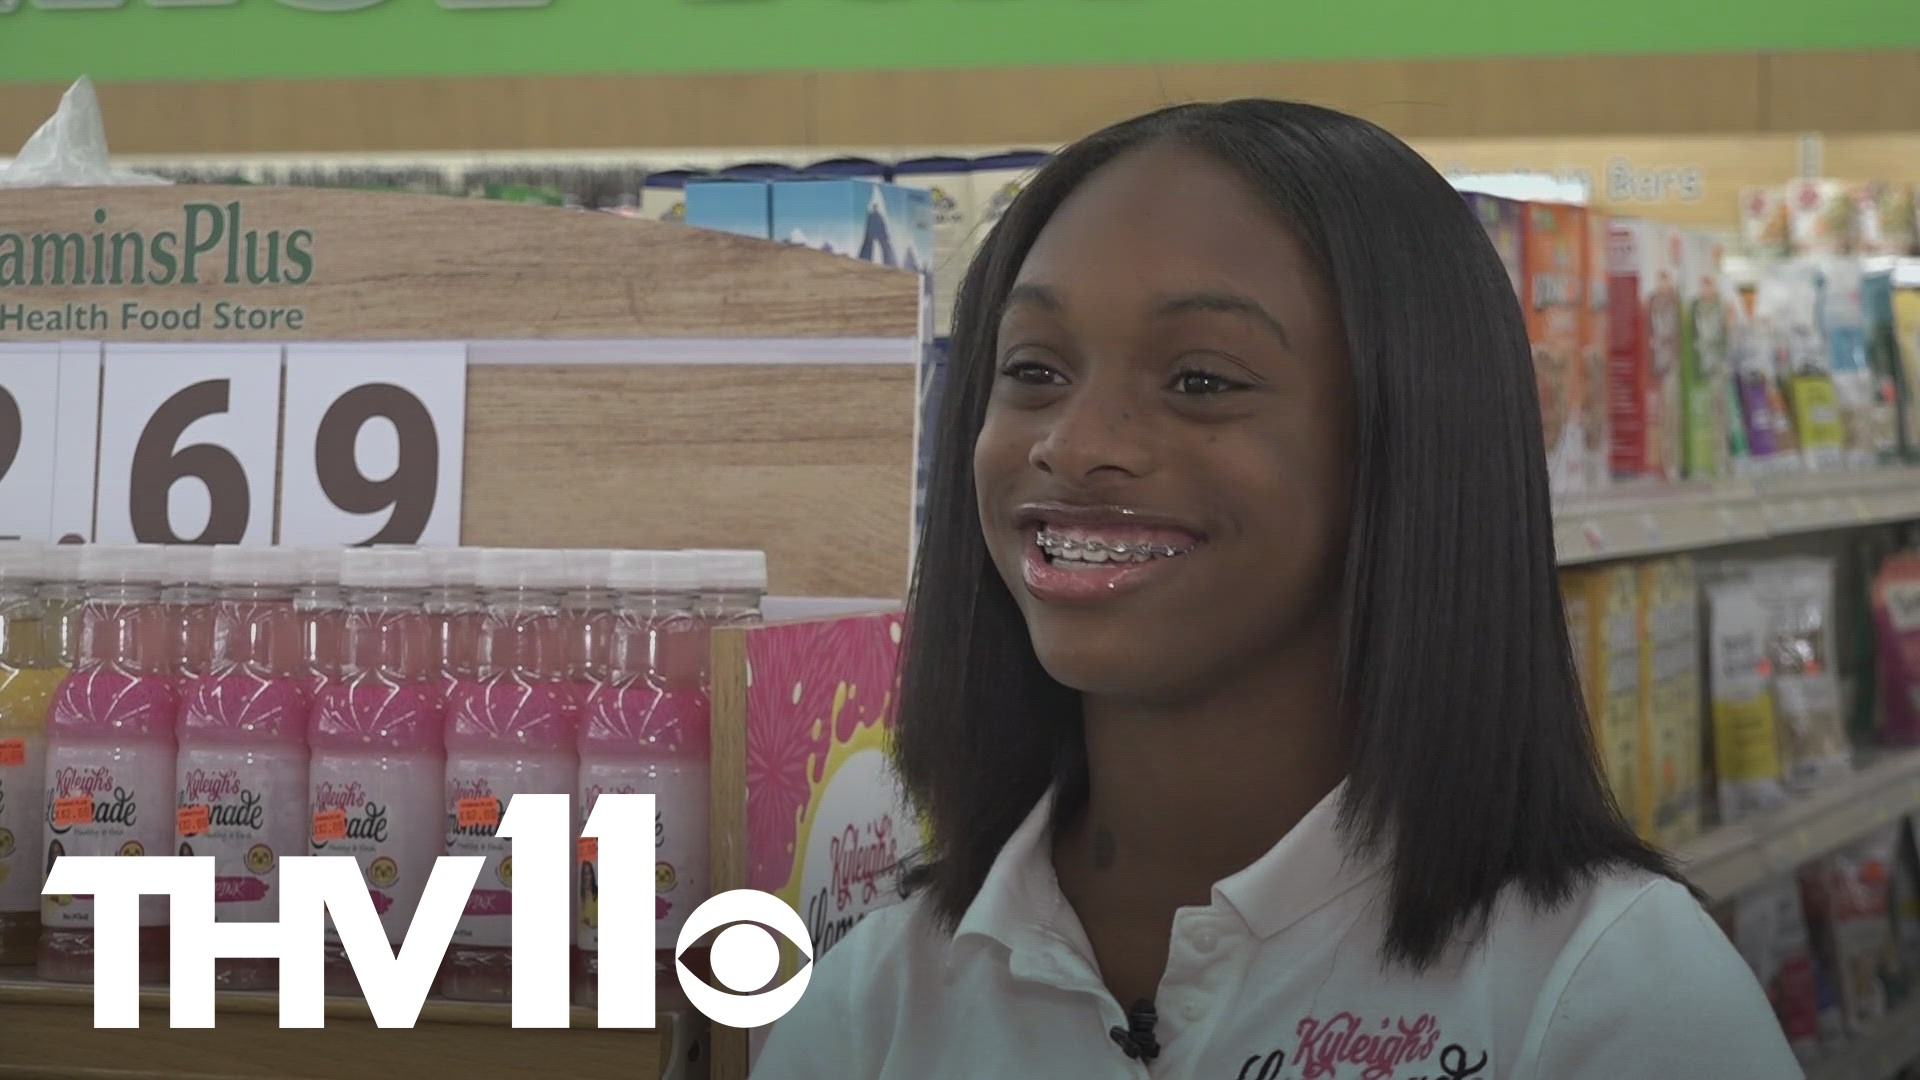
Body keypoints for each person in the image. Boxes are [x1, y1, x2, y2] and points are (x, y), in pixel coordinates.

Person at [753, 100, 1801, 1078]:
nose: (1076, 446)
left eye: (1201, 380)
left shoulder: (1607, 990)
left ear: (1409, 443)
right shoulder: (880, 993)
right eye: (1033, 370)